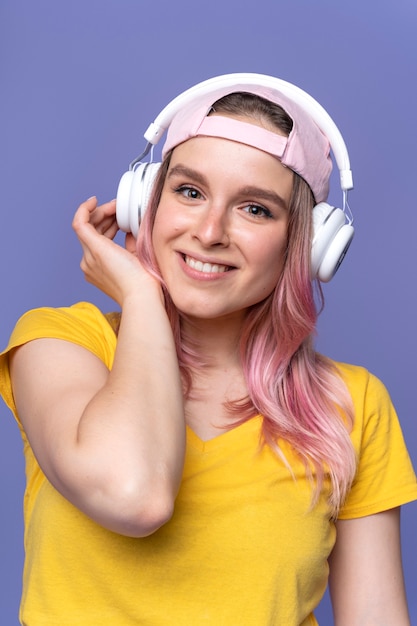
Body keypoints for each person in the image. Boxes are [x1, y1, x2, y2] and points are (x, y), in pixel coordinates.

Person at [0, 73, 416, 626]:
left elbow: (375, 616)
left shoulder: (353, 404)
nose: (210, 231)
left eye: (256, 209)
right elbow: (134, 496)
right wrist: (144, 299)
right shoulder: (61, 343)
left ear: (306, 244)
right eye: (189, 193)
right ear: (145, 202)